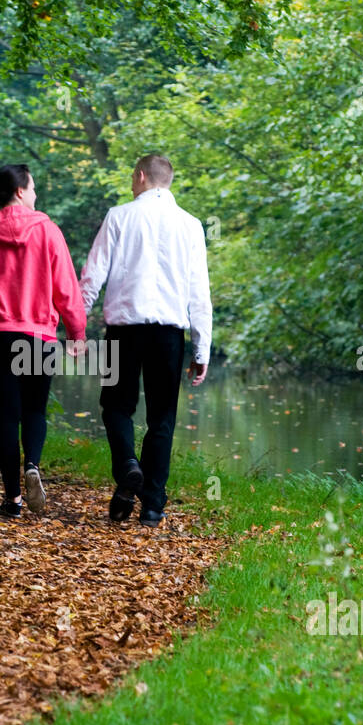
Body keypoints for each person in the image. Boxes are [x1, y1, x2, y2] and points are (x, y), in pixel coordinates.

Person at [79, 153, 212, 527]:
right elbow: (199, 293)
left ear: (140, 176)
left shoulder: (119, 216)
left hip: (122, 330)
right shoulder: (190, 225)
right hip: (170, 333)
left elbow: (93, 275)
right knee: (162, 418)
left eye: (131, 178)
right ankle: (152, 506)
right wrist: (202, 348)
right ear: (167, 180)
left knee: (116, 406)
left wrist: (75, 322)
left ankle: (127, 469)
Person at [0, 163, 86, 518]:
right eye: (33, 188)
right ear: (19, 192)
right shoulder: (48, 231)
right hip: (38, 336)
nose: (36, 195)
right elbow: (67, 290)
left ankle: (12, 499)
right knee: (34, 410)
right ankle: (34, 466)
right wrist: (77, 332)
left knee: (6, 417)